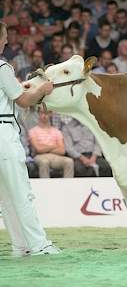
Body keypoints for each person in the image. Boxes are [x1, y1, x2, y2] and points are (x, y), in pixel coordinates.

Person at [0, 21, 59, 256]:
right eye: (4, 36)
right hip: (3, 133)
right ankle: (39, 245)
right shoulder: (3, 67)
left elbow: (12, 93)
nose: (6, 41)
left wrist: (22, 89)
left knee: (5, 197)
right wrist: (42, 90)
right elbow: (23, 101)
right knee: (20, 192)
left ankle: (20, 246)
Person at [28, 106, 74, 178]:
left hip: (56, 157)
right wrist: (54, 146)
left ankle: (67, 187)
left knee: (69, 161)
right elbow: (38, 149)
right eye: (42, 113)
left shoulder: (57, 131)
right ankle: (45, 187)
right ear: (38, 113)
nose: (44, 115)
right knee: (44, 162)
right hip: (39, 156)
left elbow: (62, 150)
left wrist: (44, 147)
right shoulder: (32, 131)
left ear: (50, 114)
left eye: (47, 113)